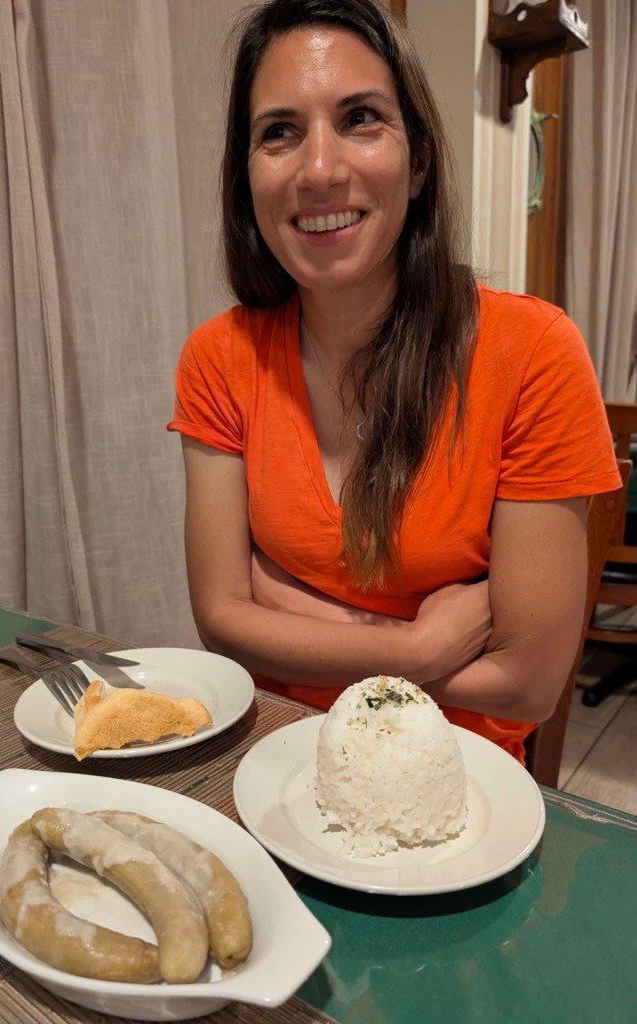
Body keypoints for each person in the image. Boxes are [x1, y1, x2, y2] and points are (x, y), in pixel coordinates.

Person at [167, 0, 620, 763]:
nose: (319, 169)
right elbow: (221, 620)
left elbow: (526, 685)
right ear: (246, 179)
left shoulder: (533, 352)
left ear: (418, 164)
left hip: (458, 775)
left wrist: (284, 610)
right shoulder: (218, 357)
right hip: (272, 753)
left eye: (360, 119)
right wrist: (415, 648)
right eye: (279, 131)